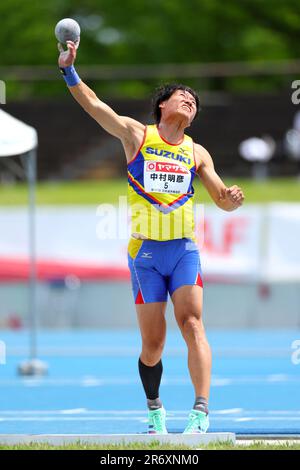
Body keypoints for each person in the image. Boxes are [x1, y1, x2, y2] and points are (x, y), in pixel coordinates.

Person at [57, 40, 244, 435]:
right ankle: (155, 407)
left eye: (195, 101)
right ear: (163, 106)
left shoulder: (197, 153)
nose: (190, 102)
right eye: (182, 96)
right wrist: (69, 70)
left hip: (183, 251)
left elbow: (222, 200)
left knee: (192, 323)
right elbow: (94, 106)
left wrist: (230, 200)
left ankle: (200, 412)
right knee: (153, 345)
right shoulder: (136, 135)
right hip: (144, 253)